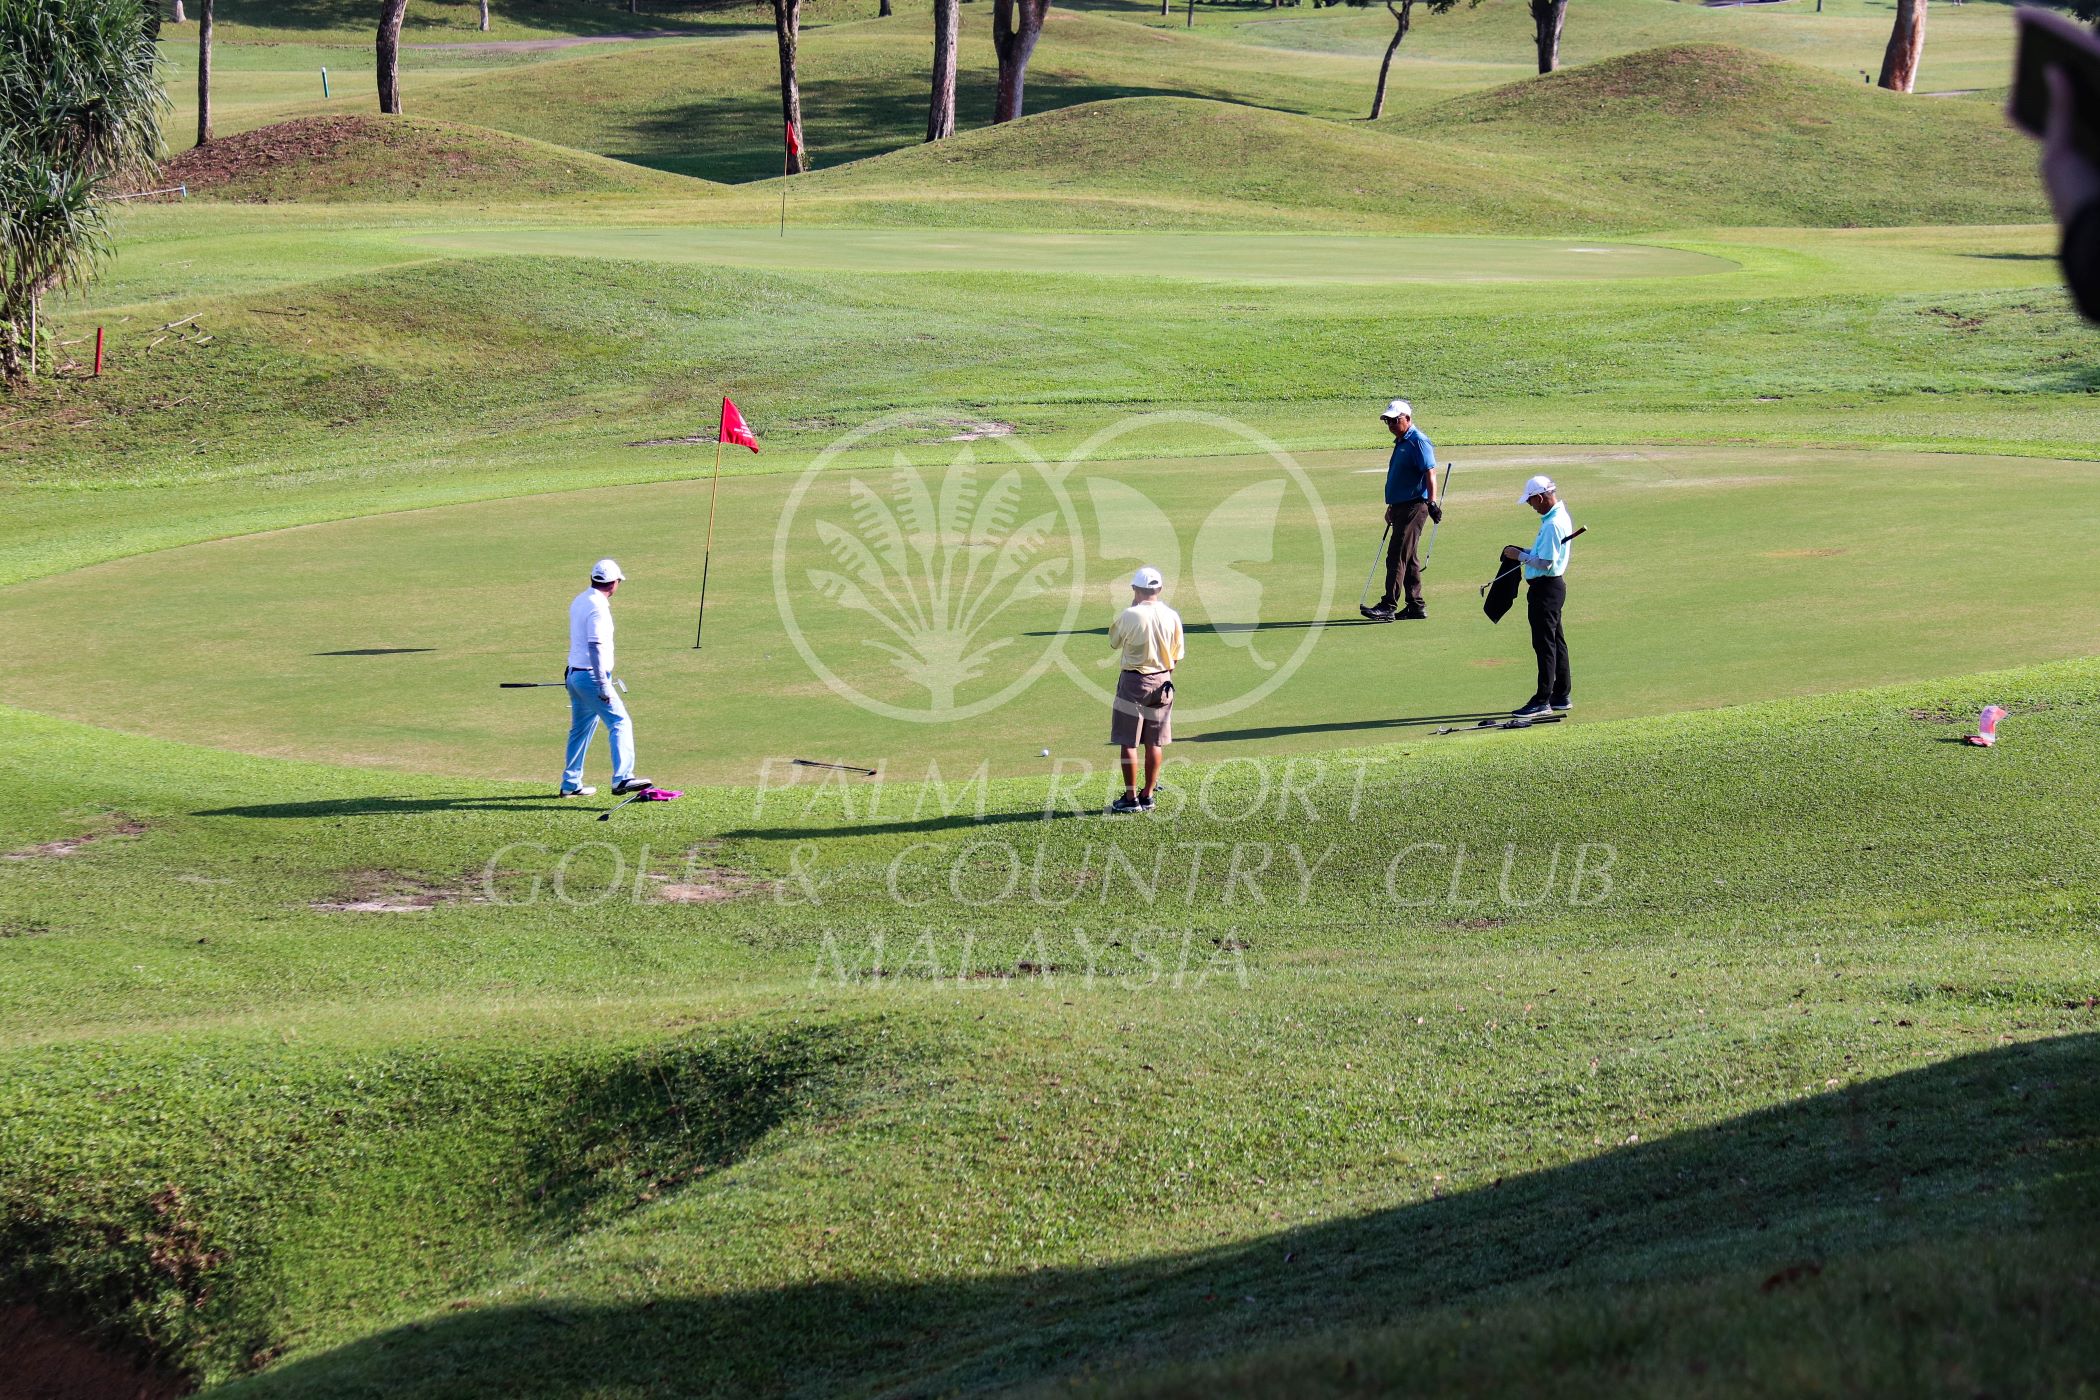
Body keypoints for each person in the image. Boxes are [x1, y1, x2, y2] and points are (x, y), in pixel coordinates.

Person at [560, 558, 652, 799]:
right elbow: (595, 645)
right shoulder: (598, 608)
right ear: (613, 584)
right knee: (620, 722)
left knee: (581, 729)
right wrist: (602, 683)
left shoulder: (580, 600)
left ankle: (571, 783)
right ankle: (623, 778)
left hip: (575, 675)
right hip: (591, 677)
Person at [1106, 566, 1184, 814]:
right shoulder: (1172, 615)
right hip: (1163, 682)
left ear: (1135, 589)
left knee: (1129, 741)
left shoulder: (1130, 614)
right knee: (1154, 743)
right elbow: (1176, 655)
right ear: (1159, 589)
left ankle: (1131, 798)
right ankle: (1148, 795)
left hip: (1134, 682)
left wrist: (1133, 607)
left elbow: (1113, 642)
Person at [1361, 398, 1443, 622]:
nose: (1391, 425)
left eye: (1395, 421)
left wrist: (1433, 502)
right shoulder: (1401, 441)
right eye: (1387, 422)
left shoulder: (1418, 441)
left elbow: (1430, 472)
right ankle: (1416, 605)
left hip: (1414, 506)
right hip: (1400, 507)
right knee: (1410, 557)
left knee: (1397, 555)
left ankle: (1388, 605)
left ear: (1407, 418)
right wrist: (1391, 507)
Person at [1503, 476, 1575, 719]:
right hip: (1552, 588)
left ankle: (1543, 699)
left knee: (1545, 644)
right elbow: (1544, 555)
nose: (1531, 506)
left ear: (1541, 497)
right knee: (1556, 641)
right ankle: (1561, 695)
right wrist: (1526, 552)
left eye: (1531, 501)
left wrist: (1518, 555)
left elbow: (1545, 563)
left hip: (1545, 589)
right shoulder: (1557, 517)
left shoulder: (1553, 524)